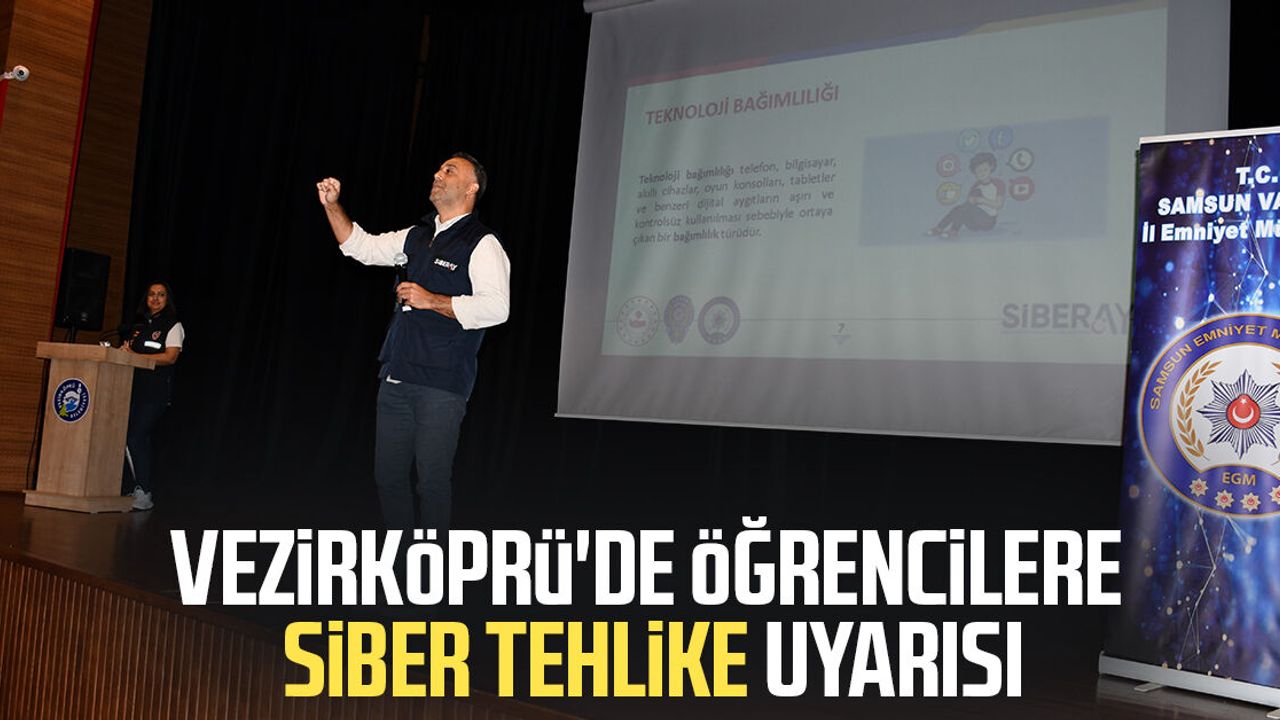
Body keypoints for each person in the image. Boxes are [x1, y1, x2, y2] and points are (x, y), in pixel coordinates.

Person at [316, 152, 510, 531]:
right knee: (388, 478)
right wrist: (332, 205)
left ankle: (431, 561)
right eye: (438, 168)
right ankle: (402, 556)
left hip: (441, 384)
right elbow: (360, 246)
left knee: (432, 483)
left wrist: (432, 300)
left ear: (472, 188)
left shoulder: (482, 243)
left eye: (449, 170)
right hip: (396, 378)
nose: (438, 174)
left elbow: (497, 308)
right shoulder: (416, 236)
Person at [120, 282, 185, 510]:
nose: (155, 299)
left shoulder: (173, 325)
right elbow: (127, 353)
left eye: (161, 295)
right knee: (135, 439)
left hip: (155, 394)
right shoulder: (137, 327)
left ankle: (144, 492)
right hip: (131, 390)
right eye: (151, 295)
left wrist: (135, 356)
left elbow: (170, 357)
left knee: (135, 437)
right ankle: (138, 487)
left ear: (168, 299)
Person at [928, 151, 1005, 238]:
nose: (982, 173)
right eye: (979, 171)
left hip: (988, 221)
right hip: (973, 223)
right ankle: (939, 228)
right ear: (975, 173)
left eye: (985, 170)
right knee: (959, 209)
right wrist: (972, 200)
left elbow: (998, 205)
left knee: (963, 208)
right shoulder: (976, 185)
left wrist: (982, 200)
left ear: (991, 167)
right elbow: (969, 203)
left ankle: (953, 231)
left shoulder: (998, 183)